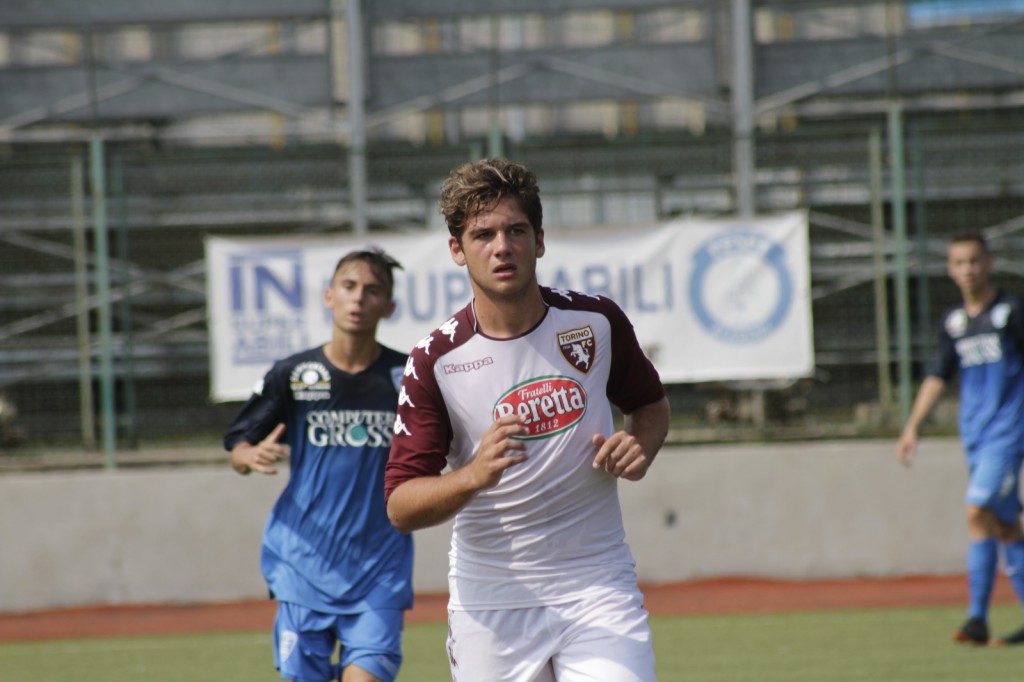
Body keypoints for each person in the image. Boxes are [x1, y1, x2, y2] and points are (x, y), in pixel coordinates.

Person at [385, 158, 670, 681]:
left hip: (596, 583)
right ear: (457, 250)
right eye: (483, 234)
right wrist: (474, 474)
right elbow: (401, 506)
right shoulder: (434, 361)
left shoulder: (595, 322)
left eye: (516, 230)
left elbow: (649, 405)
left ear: (539, 240)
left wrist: (641, 446)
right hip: (491, 603)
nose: (502, 246)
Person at [224, 248, 414, 682]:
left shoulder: (408, 376)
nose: (358, 299)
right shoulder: (294, 374)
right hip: (302, 565)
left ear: (389, 306)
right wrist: (247, 457)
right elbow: (237, 444)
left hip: (379, 568)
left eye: (372, 291)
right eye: (348, 287)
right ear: (329, 295)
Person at [896, 231, 1024, 647]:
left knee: (975, 509)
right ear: (950, 270)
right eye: (958, 263)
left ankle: (975, 617)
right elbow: (938, 375)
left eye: (974, 261)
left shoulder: (1011, 312)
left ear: (988, 263)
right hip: (974, 433)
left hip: (1008, 431)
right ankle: (990, 622)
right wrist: (913, 425)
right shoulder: (954, 323)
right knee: (1004, 525)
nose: (967, 270)